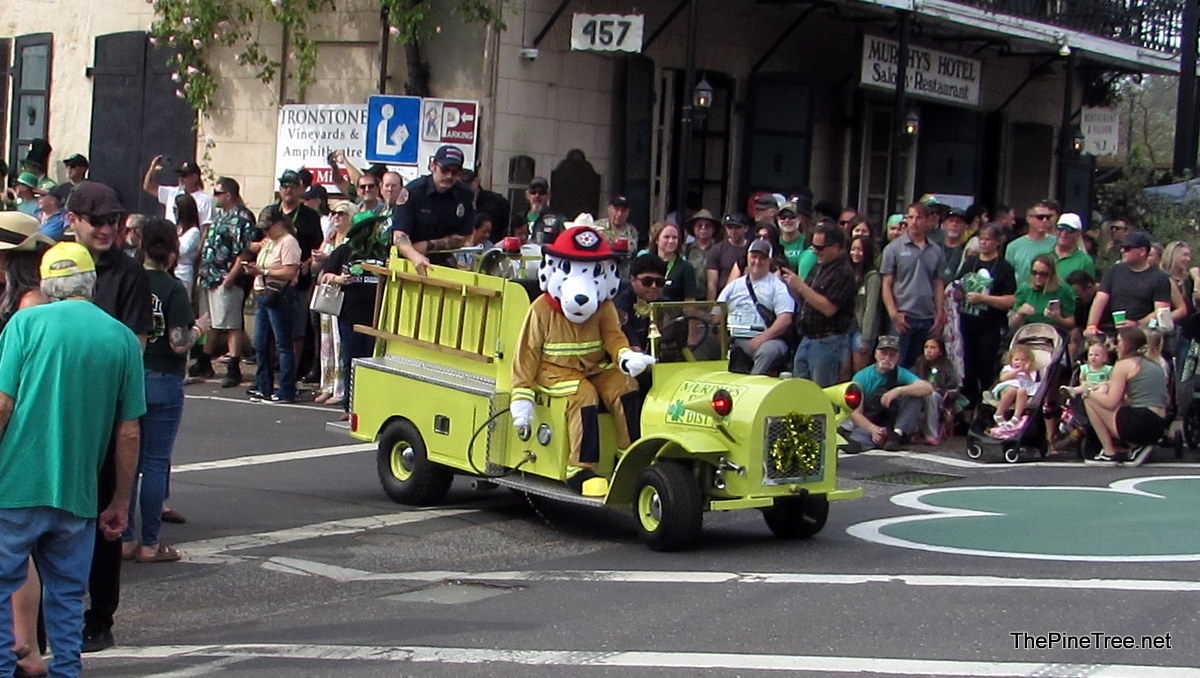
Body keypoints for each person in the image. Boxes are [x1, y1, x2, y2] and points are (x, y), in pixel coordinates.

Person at [0, 241, 146, 678]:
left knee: (3, 585)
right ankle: (67, 669)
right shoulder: (121, 338)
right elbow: (129, 431)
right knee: (66, 595)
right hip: (78, 491)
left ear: (46, 285)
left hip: (15, 484)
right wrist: (120, 501)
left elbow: (3, 405)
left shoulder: (25, 323)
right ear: (92, 283)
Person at [65, 182, 153, 654]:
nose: (106, 229)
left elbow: (135, 344)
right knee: (51, 518)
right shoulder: (58, 262)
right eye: (97, 221)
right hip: (60, 409)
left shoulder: (129, 272)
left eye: (113, 221)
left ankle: (99, 617)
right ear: (72, 221)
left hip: (108, 409)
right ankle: (43, 618)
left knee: (107, 517)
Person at [120, 218, 205, 564]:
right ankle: (150, 543)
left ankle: (125, 537)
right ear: (173, 250)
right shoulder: (172, 288)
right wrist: (199, 330)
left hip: (130, 374)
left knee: (128, 460)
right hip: (164, 377)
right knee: (155, 462)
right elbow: (178, 342)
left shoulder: (128, 281)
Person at [322, 211, 388, 418]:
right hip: (350, 313)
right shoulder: (344, 251)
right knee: (352, 359)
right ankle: (350, 407)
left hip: (377, 314)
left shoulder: (384, 251)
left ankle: (371, 406)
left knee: (374, 361)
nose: (379, 231)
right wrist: (339, 279)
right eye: (375, 227)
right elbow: (325, 275)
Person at [198, 177, 256, 388]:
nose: (214, 197)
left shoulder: (241, 217)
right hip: (211, 277)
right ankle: (205, 361)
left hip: (227, 278)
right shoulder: (222, 215)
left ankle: (233, 366)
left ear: (228, 195)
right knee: (213, 321)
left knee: (231, 324)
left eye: (217, 193)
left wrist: (231, 276)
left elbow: (244, 251)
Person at [783, 223, 856, 387]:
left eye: (820, 248)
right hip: (807, 337)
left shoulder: (843, 272)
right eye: (813, 246)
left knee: (821, 391)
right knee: (799, 388)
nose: (815, 251)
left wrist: (801, 286)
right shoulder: (819, 266)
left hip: (828, 341)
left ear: (836, 247)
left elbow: (829, 308)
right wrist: (792, 286)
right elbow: (805, 298)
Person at [1082, 327, 1168, 466]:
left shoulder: (1123, 365)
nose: (1116, 346)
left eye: (1119, 342)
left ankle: (1109, 452)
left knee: (1090, 400)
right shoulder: (1153, 364)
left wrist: (1087, 390)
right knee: (1123, 405)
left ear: (1128, 344)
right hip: (1159, 425)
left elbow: (1110, 403)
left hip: (1139, 424)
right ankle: (1136, 446)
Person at [955, 224, 1017, 413]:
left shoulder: (1004, 268)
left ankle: (986, 411)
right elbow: (958, 285)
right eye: (981, 239)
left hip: (990, 326)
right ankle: (966, 413)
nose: (983, 243)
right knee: (967, 370)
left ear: (998, 242)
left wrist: (984, 299)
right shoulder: (970, 263)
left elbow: (1011, 300)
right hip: (967, 324)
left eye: (988, 239)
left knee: (987, 369)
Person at [244, 205, 301, 403]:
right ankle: (264, 385)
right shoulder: (269, 242)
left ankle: (286, 389)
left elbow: (290, 272)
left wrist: (264, 272)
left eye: (268, 228)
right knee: (260, 343)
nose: (266, 232)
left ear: (279, 224)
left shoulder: (288, 242)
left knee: (282, 343)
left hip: (279, 294)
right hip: (263, 293)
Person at [390, 145, 475, 274]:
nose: (449, 176)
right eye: (445, 170)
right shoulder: (413, 192)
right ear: (433, 166)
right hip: (408, 261)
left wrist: (428, 246)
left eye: (455, 172)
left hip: (443, 263)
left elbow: (464, 236)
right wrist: (415, 256)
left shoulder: (465, 195)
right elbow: (399, 235)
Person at [841, 335, 934, 452]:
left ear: (898, 357)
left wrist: (898, 391)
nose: (887, 358)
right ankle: (862, 443)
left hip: (894, 421)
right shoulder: (861, 377)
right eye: (883, 353)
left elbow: (927, 388)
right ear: (876, 354)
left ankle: (896, 435)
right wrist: (872, 428)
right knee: (861, 436)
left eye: (892, 355)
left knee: (915, 397)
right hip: (872, 419)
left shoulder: (901, 373)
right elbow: (855, 413)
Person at [714, 239, 794, 375]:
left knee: (768, 350)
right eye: (754, 256)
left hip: (766, 338)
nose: (757, 261)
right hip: (734, 338)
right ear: (747, 257)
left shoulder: (777, 286)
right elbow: (716, 315)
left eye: (763, 258)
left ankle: (752, 381)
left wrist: (762, 338)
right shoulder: (733, 286)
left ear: (770, 261)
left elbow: (785, 319)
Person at [881, 202, 945, 368]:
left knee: (921, 366)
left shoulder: (936, 250)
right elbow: (886, 283)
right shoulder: (893, 249)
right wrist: (893, 313)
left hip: (927, 317)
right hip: (903, 315)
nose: (914, 222)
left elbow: (938, 283)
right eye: (910, 217)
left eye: (919, 218)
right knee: (896, 364)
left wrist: (939, 313)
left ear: (927, 220)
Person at [1084, 231, 1173, 339]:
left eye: (1127, 248)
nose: (1122, 251)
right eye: (1122, 247)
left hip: (1143, 334)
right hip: (1112, 330)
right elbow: (1100, 299)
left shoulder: (1159, 277)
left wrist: (1136, 324)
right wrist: (1091, 326)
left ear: (1142, 251)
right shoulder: (1114, 271)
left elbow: (1160, 311)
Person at [312, 201, 356, 406]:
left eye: (341, 213)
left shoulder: (351, 241)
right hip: (327, 293)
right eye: (333, 213)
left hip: (342, 294)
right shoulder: (330, 237)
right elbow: (315, 267)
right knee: (326, 342)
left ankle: (340, 388)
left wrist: (330, 257)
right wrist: (320, 256)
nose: (336, 217)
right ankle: (327, 385)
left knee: (339, 343)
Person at [612, 253, 667, 352]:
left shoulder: (666, 305)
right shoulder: (621, 306)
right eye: (647, 281)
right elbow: (632, 346)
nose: (654, 286)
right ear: (632, 279)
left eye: (659, 282)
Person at [1010, 254, 1075, 334]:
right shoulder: (1024, 289)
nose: (1038, 277)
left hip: (1054, 331)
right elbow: (1012, 325)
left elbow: (1071, 324)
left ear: (1051, 274)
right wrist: (1020, 313)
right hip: (1029, 331)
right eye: (1034, 273)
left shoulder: (1063, 290)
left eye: (1043, 274)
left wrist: (1058, 318)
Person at [912, 337, 958, 445]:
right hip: (919, 395)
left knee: (931, 395)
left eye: (932, 347)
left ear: (940, 351)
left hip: (939, 399)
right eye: (926, 347)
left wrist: (938, 390)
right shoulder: (919, 363)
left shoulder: (946, 367)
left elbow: (954, 389)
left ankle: (931, 435)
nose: (928, 350)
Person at [141, 157, 213, 225]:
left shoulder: (205, 200)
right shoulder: (171, 192)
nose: (181, 178)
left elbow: (205, 226)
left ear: (195, 177)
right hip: (169, 233)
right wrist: (152, 168)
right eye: (180, 175)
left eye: (184, 175)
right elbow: (148, 187)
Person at [986, 345, 1039, 437]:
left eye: (1023, 360)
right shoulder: (1008, 368)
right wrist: (1017, 371)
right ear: (1011, 360)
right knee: (1011, 390)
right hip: (1006, 388)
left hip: (1021, 390)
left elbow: (1031, 383)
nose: (1019, 362)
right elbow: (1003, 378)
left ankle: (1016, 417)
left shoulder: (1030, 372)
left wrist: (1026, 372)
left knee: (1022, 391)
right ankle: (999, 413)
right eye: (1016, 359)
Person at [849, 234, 882, 373]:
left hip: (861, 330)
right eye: (853, 249)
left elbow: (871, 307)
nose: (855, 253)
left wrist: (867, 337)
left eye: (860, 249)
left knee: (859, 371)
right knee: (844, 370)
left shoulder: (873, 276)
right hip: (846, 328)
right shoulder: (847, 272)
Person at [1005, 202, 1059, 285]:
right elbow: (1007, 277)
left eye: (1048, 217)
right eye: (1040, 217)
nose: (1044, 221)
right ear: (1029, 219)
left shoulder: (1057, 243)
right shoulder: (1013, 246)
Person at [645, 221, 697, 302]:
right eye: (666, 237)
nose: (671, 241)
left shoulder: (686, 267)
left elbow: (690, 301)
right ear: (656, 240)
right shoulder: (645, 264)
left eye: (674, 238)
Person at [706, 212, 751, 301]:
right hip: (723, 297)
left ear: (746, 228)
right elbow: (712, 284)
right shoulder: (717, 249)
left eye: (737, 227)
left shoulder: (752, 248)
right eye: (729, 227)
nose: (733, 231)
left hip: (747, 296)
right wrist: (712, 305)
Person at [683, 209, 720, 298]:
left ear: (713, 229)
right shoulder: (685, 249)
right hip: (689, 298)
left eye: (707, 226)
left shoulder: (719, 249)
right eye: (699, 225)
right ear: (693, 229)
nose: (703, 228)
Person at [1050, 213, 1095, 283]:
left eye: (1069, 230)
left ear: (1078, 233)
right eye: (1060, 229)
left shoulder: (1085, 261)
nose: (1064, 233)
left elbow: (1088, 288)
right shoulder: (1044, 254)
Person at [511, 176, 552, 241]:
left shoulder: (559, 221)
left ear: (548, 195)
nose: (537, 195)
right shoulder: (517, 219)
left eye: (542, 192)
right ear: (527, 195)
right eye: (533, 192)